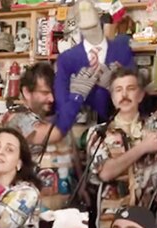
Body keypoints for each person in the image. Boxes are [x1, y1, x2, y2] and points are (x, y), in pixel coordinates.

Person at [85, 67, 157, 228]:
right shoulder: (99, 132)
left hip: (151, 221)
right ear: (112, 97)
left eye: (130, 89)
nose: (124, 95)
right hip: (114, 224)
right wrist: (143, 147)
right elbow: (106, 172)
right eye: (118, 90)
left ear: (140, 95)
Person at [53, 0, 135, 135]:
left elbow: (138, 97)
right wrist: (77, 96)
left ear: (100, 21)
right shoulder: (66, 60)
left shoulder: (122, 51)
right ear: (79, 27)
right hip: (80, 133)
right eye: (86, 28)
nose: (91, 32)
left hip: (121, 130)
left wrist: (113, 86)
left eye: (94, 26)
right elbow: (62, 109)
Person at [2, 63, 77, 208]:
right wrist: (76, 99)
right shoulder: (16, 118)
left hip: (64, 208)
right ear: (27, 92)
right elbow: (52, 135)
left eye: (53, 93)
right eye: (45, 93)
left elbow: (70, 150)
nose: (52, 99)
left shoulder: (54, 119)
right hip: (32, 210)